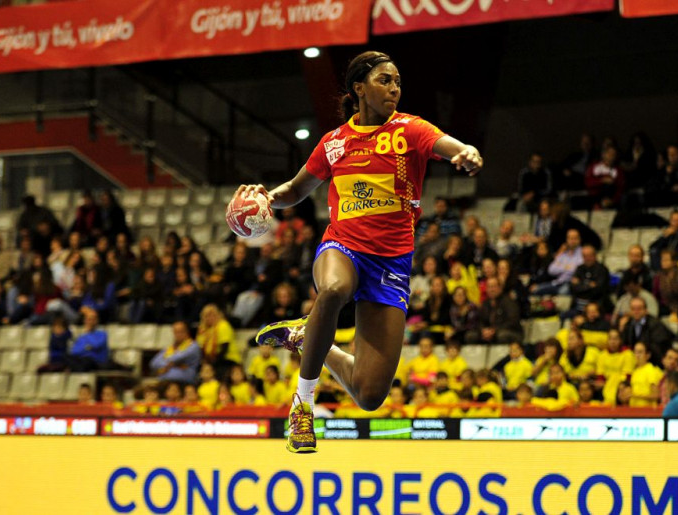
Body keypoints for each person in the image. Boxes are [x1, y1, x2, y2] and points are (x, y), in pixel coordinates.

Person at [248, 51, 482, 452]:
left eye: (397, 82)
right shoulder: (334, 142)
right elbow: (296, 190)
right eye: (384, 81)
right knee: (335, 290)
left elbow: (448, 145)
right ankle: (303, 406)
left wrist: (465, 151)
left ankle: (308, 338)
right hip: (343, 247)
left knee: (369, 394)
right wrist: (267, 198)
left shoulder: (410, 129)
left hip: (390, 264)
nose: (394, 89)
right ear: (359, 88)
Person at [530, 228, 583, 295]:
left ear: (579, 240)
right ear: (567, 240)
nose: (572, 241)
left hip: (570, 283)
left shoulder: (583, 253)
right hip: (557, 282)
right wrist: (567, 267)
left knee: (562, 292)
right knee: (535, 290)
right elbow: (551, 270)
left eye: (575, 238)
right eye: (570, 238)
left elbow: (575, 270)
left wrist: (561, 266)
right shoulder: (563, 254)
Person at [596, 329, 635, 405]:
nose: (613, 342)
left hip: (621, 390)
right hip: (605, 389)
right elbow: (600, 378)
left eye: (615, 339)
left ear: (620, 340)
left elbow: (627, 377)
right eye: (610, 339)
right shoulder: (602, 355)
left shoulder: (628, 354)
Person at [477, 277, 522, 343]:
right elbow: (480, 320)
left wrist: (494, 330)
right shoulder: (485, 303)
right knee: (472, 336)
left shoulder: (509, 302)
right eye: (489, 287)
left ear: (500, 288)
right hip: (491, 332)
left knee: (502, 335)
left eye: (493, 287)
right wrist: (483, 330)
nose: (491, 290)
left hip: (511, 331)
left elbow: (512, 322)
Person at [569, 245, 611, 313]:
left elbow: (598, 289)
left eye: (589, 255)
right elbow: (573, 287)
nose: (587, 258)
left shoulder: (602, 269)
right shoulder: (579, 269)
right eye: (584, 256)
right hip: (577, 306)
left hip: (596, 306)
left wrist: (580, 284)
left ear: (595, 255)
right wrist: (589, 285)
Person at [652, 250, 678, 316]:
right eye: (662, 260)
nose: (663, 262)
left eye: (666, 260)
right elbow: (655, 295)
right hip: (663, 308)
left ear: (674, 262)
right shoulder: (658, 277)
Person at [630, 342, 663, 408]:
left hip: (647, 411)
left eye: (640, 352)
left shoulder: (651, 370)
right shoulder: (635, 371)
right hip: (634, 410)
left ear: (648, 355)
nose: (637, 355)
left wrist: (634, 395)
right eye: (635, 352)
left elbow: (656, 395)